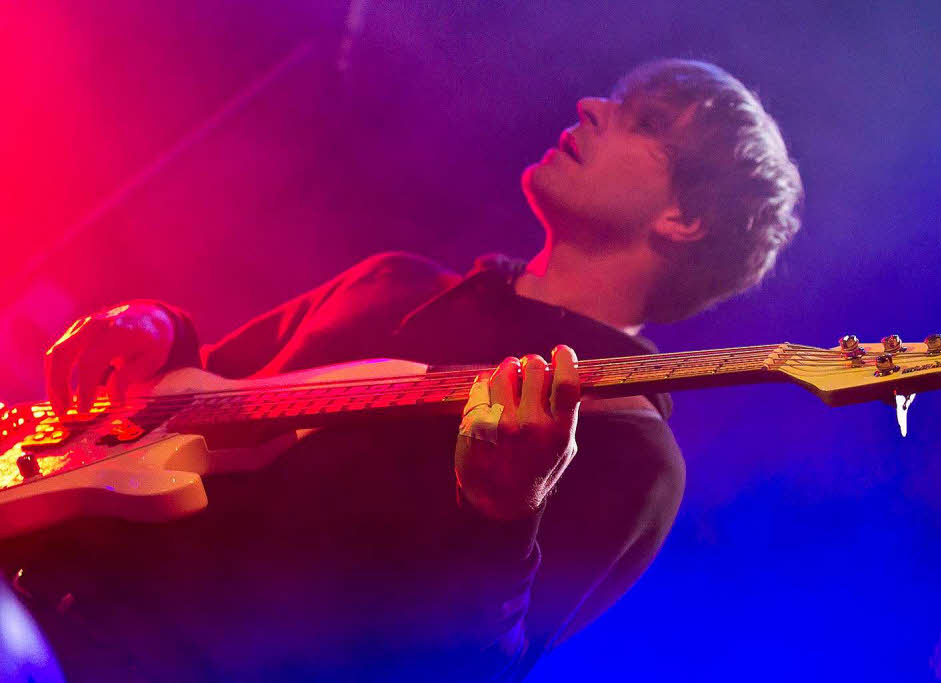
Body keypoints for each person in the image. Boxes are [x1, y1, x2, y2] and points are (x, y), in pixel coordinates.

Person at [25, 59, 802, 680]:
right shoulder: (394, 279)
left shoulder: (630, 448)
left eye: (646, 122)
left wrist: (505, 515)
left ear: (683, 220)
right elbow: (196, 394)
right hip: (33, 573)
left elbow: (458, 669)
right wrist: (153, 327)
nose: (593, 105)